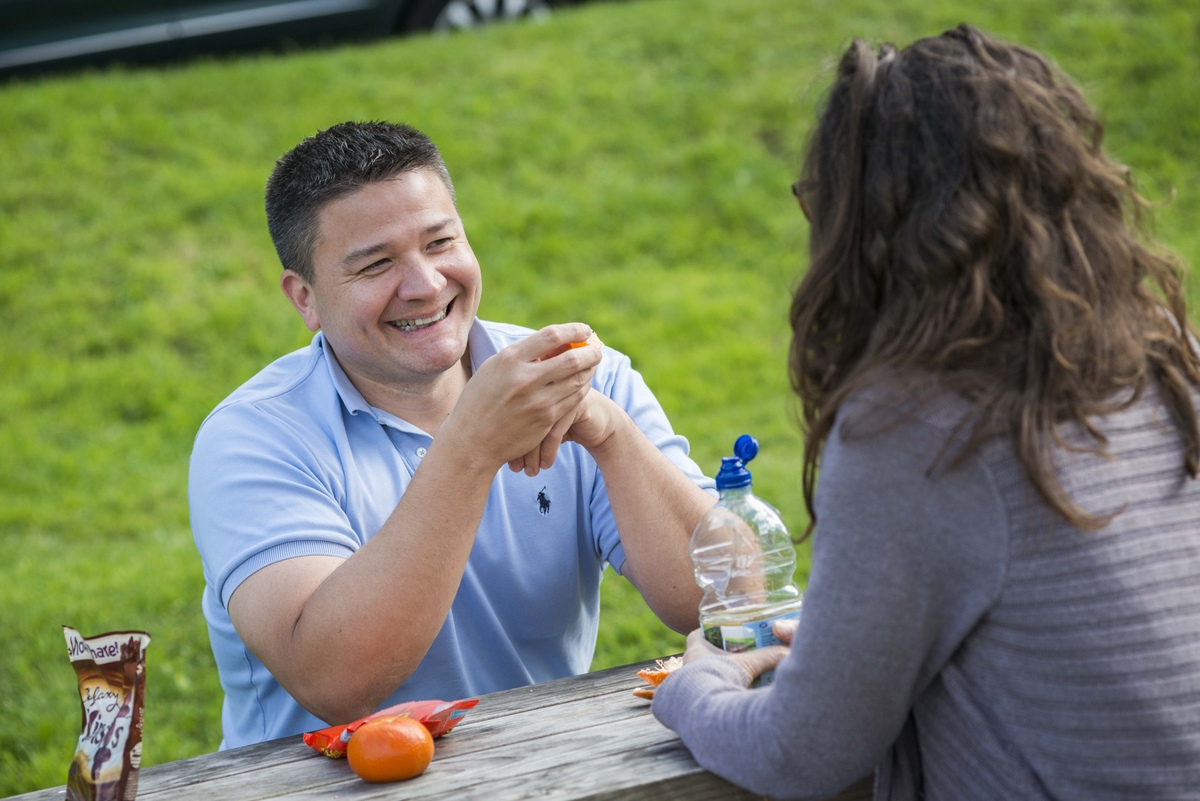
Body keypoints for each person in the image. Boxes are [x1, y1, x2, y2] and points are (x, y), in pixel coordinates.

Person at [652, 23, 1200, 801]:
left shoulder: (914, 428)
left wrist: (695, 687)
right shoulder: (1171, 355)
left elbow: (801, 753)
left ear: (867, 228)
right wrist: (852, 647)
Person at [189, 121, 716, 749]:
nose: (426, 284)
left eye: (440, 242)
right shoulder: (253, 437)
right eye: (377, 264)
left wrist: (608, 432)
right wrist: (470, 447)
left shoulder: (576, 375)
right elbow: (335, 681)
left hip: (550, 776)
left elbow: (729, 603)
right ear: (305, 297)